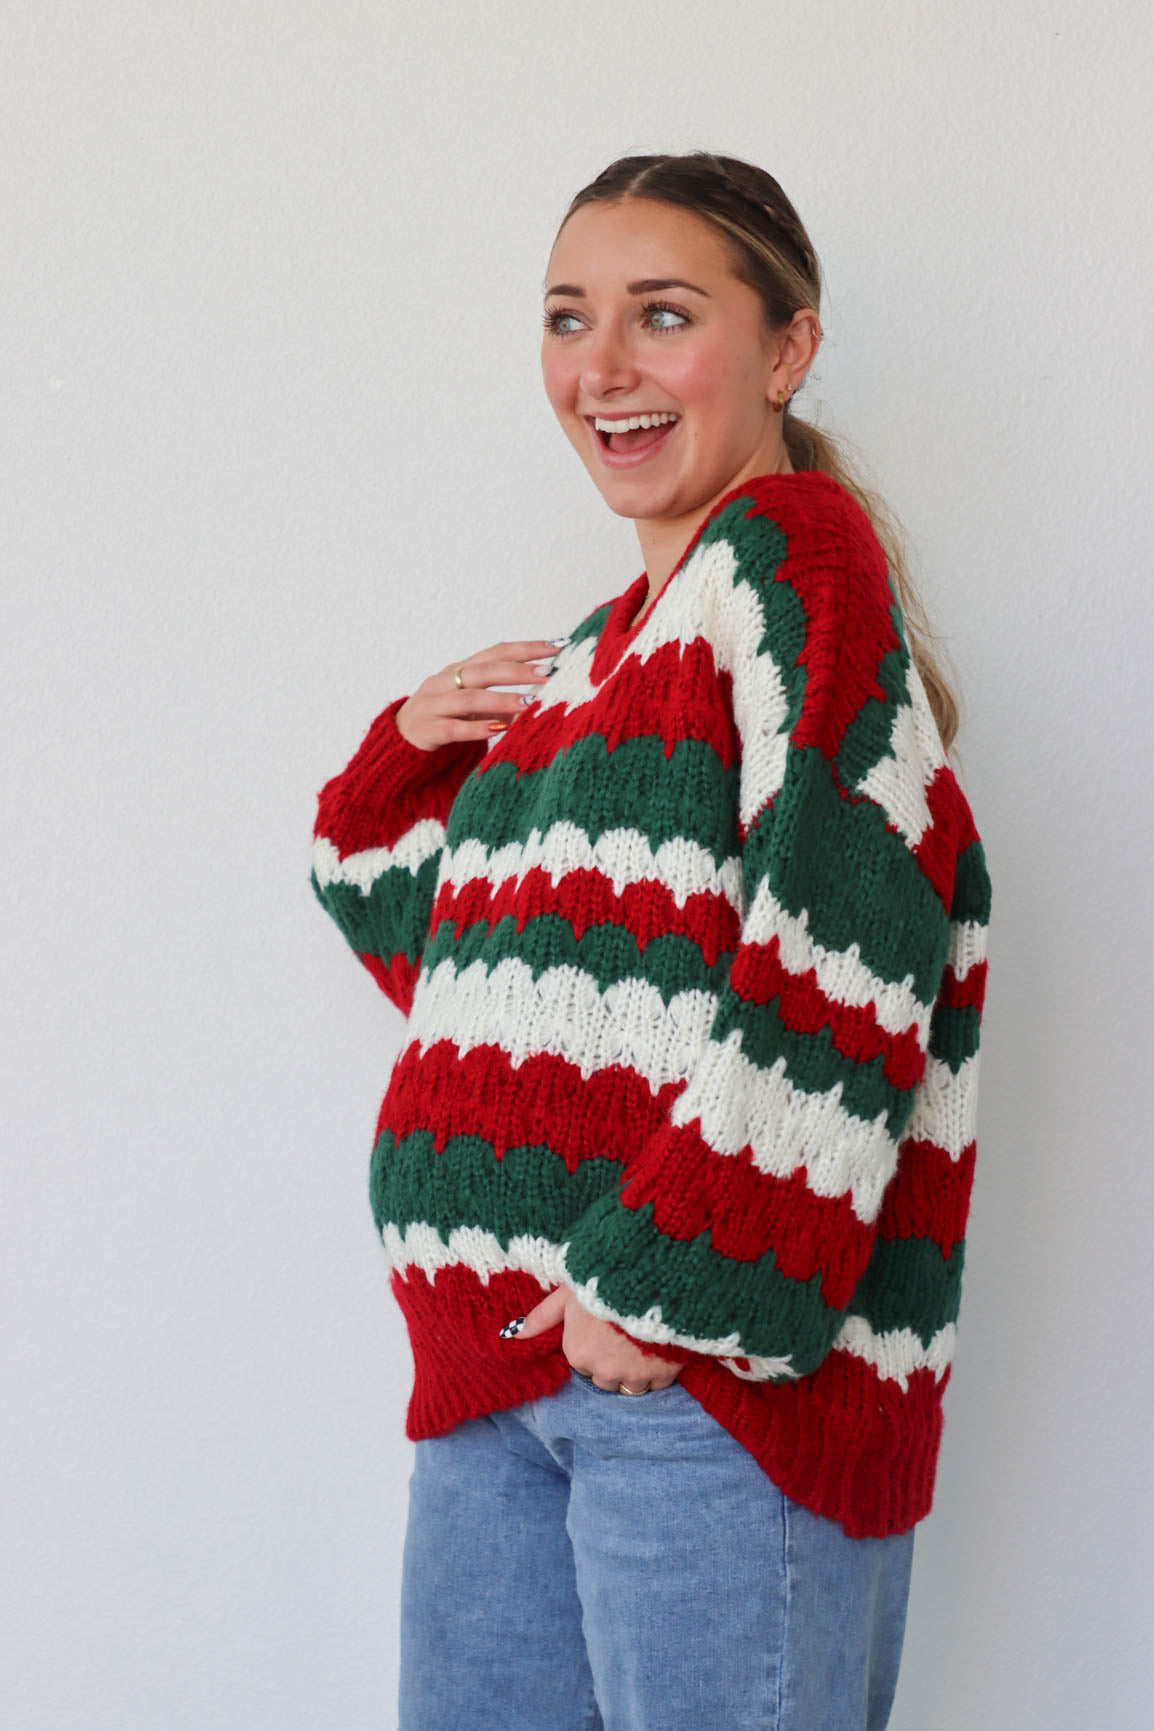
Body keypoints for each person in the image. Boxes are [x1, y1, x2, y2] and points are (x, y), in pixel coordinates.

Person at [310, 150, 992, 1731]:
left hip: (698, 1393)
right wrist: (407, 750)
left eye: (660, 315)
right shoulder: (591, 662)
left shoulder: (792, 562)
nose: (599, 369)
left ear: (785, 348)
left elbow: (851, 940)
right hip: (499, 1382)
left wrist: (666, 1296)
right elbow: (453, 970)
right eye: (566, 319)